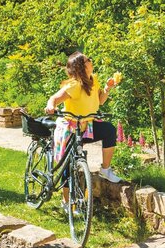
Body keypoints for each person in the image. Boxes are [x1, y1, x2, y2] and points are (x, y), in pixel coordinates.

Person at [45, 51, 122, 208]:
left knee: (109, 130)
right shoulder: (74, 85)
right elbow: (54, 98)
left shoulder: (93, 80)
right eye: (89, 60)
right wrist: (51, 105)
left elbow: (100, 101)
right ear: (81, 65)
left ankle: (105, 170)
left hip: (87, 125)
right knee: (69, 162)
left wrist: (107, 88)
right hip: (72, 127)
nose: (91, 62)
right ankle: (66, 202)